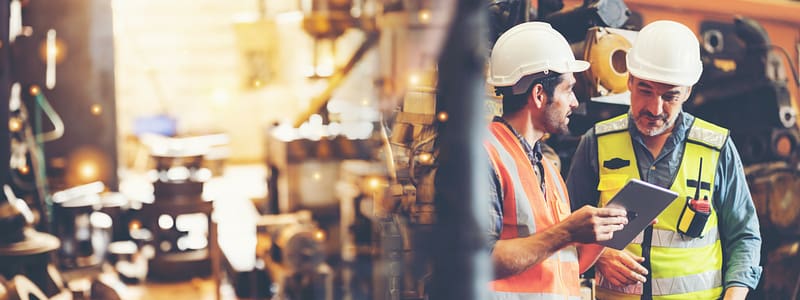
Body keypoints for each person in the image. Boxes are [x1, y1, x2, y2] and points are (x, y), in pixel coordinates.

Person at [566, 20, 762, 300]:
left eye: (670, 95)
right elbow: (565, 228)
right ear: (630, 80)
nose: (655, 108)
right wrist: (599, 256)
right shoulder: (596, 143)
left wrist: (735, 295)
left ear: (688, 91)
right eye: (645, 90)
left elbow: (744, 236)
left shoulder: (716, 148)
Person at [485, 22, 630, 299]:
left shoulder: (548, 170)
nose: (574, 102)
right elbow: (479, 260)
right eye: (568, 90)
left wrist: (607, 231)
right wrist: (566, 231)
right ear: (540, 94)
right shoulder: (486, 154)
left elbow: (566, 266)